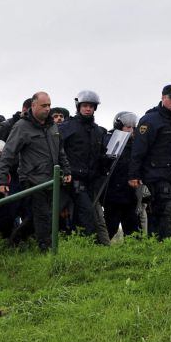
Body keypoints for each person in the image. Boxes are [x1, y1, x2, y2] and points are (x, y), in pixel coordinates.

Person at [0, 92, 72, 251]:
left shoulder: (52, 125)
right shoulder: (22, 126)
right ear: (33, 106)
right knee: (43, 215)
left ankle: (15, 241)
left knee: (45, 214)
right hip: (32, 179)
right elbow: (8, 153)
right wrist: (2, 179)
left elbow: (60, 150)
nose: (47, 109)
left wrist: (66, 169)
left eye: (49, 105)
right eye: (44, 105)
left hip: (52, 178)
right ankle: (46, 248)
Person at [129, 85, 171, 240]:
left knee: (159, 215)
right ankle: (167, 248)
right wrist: (133, 175)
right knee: (169, 209)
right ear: (163, 97)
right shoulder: (150, 120)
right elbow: (138, 150)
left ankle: (156, 249)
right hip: (156, 176)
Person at [59, 91, 107, 238]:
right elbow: (57, 152)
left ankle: (83, 244)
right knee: (85, 214)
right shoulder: (66, 127)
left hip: (92, 181)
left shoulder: (99, 131)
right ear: (78, 107)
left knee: (88, 216)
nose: (88, 109)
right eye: (85, 106)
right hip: (71, 180)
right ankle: (89, 245)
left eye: (91, 106)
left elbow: (100, 157)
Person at [101, 112, 141, 239]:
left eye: (133, 127)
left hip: (130, 195)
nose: (131, 130)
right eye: (128, 127)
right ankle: (98, 253)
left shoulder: (137, 146)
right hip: (113, 195)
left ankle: (134, 257)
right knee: (110, 228)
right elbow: (104, 164)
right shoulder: (110, 141)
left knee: (134, 233)